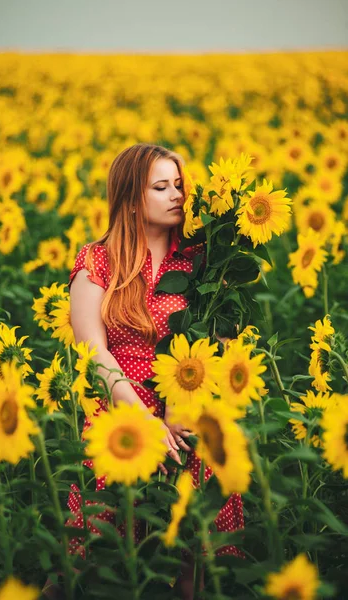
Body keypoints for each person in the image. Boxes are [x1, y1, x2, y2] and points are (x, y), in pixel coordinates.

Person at [66, 143, 244, 599]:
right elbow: (93, 350)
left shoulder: (203, 261)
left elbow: (218, 344)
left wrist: (181, 410)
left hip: (190, 422)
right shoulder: (98, 261)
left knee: (195, 566)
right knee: (94, 560)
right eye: (161, 187)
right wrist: (143, 419)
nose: (177, 196)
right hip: (120, 424)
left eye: (179, 185)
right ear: (129, 197)